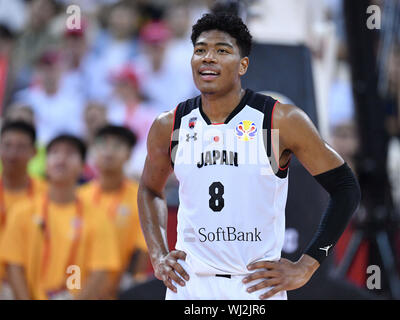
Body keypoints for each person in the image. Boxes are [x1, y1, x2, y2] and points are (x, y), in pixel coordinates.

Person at [137, 13, 361, 300]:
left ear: (243, 65)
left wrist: (307, 265)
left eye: (222, 51)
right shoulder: (171, 124)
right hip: (189, 286)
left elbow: (345, 188)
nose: (208, 58)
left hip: (253, 286)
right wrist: (158, 254)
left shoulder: (279, 120)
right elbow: (149, 189)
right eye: (200, 50)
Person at [0, 134, 120, 299]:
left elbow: (99, 272)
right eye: (55, 152)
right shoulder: (22, 212)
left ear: (82, 167)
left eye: (70, 153)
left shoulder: (98, 217)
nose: (61, 159)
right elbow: (14, 265)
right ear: (46, 164)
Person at [79, 125, 148, 298]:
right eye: (103, 144)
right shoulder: (79, 196)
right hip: (79, 288)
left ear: (129, 155)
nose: (109, 151)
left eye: (117, 146)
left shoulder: (140, 198)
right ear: (93, 151)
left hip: (119, 291)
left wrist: (129, 287)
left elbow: (141, 250)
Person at [0, 121, 46, 298]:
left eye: (20, 147)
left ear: (34, 152)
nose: (12, 153)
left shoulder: (47, 194)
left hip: (32, 286)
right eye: (7, 145)